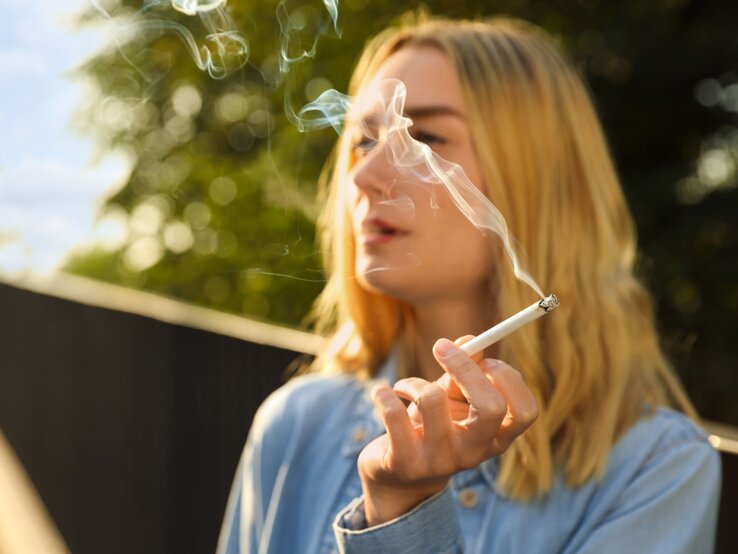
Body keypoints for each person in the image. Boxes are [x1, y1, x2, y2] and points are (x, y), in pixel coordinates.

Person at [217, 13, 721, 554]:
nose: (364, 177)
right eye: (363, 140)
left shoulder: (653, 470)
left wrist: (402, 513)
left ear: (535, 177)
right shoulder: (295, 425)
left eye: (425, 136)